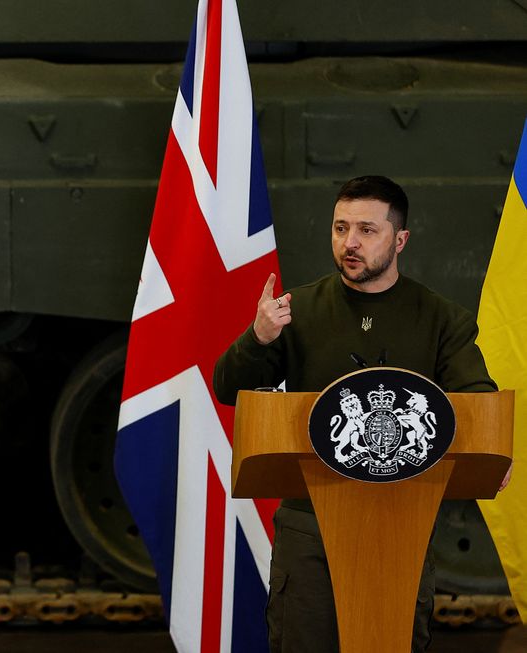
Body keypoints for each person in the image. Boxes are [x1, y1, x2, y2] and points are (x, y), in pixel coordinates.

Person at [213, 175, 497, 653]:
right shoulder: (297, 309)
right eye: (340, 227)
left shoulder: (441, 318)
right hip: (309, 527)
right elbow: (227, 388)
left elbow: (477, 403)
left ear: (399, 239)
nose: (350, 243)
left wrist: (488, 453)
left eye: (367, 230)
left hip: (401, 521)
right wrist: (258, 337)